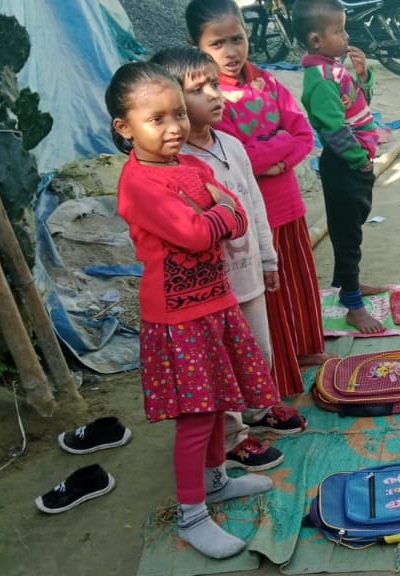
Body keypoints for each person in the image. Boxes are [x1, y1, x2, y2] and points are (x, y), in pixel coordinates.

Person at [106, 62, 285, 559]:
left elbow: (237, 217)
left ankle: (215, 481)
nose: (174, 127)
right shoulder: (139, 183)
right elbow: (196, 232)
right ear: (124, 127)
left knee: (217, 405)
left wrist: (218, 214)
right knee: (196, 416)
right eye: (156, 119)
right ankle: (191, 514)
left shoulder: (189, 165)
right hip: (178, 318)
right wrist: (218, 213)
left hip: (215, 303)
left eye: (179, 114)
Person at [150, 46, 307, 473]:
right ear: (171, 102)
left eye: (214, 84)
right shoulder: (176, 164)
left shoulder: (232, 145)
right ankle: (234, 436)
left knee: (258, 349)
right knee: (222, 363)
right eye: (197, 90)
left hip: (248, 274)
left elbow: (255, 205)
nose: (214, 95)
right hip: (211, 290)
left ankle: (257, 409)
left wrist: (269, 259)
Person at [185, 0, 336, 386]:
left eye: (237, 39)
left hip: (288, 204)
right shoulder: (208, 100)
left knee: (297, 282)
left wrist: (276, 160)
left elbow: (303, 134)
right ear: (195, 46)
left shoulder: (266, 81)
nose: (231, 52)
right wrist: (279, 142)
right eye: (217, 44)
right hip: (253, 216)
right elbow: (238, 158)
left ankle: (305, 348)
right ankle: (278, 374)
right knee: (268, 293)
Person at [292, 0, 387, 334]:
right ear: (316, 40)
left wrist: (363, 76)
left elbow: (358, 103)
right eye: (339, 30)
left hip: (352, 161)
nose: (346, 37)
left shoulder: (333, 69)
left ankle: (351, 285)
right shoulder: (319, 78)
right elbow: (334, 131)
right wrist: (359, 160)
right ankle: (353, 305)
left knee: (352, 228)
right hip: (344, 162)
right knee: (347, 236)